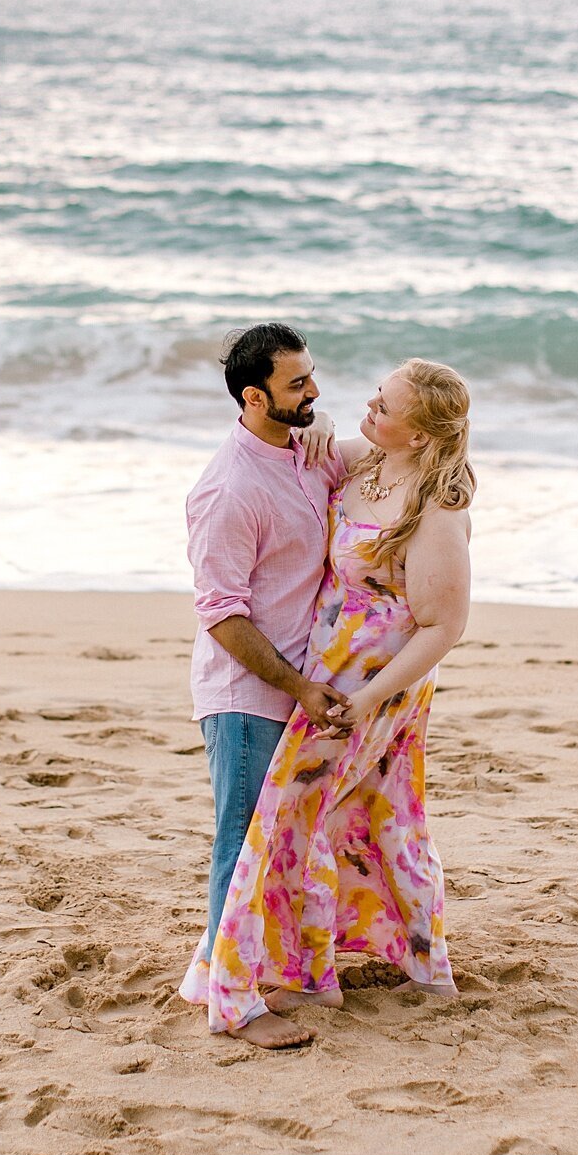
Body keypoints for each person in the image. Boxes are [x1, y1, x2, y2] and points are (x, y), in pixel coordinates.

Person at [183, 357, 475, 1049]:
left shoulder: (437, 506)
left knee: (317, 815)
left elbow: (444, 627)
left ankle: (316, 973)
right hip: (326, 673)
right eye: (374, 396)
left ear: (421, 434)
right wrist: (333, 427)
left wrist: (369, 697)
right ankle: (379, 966)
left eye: (385, 405)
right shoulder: (364, 462)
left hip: (370, 687)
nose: (368, 407)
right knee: (361, 814)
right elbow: (309, 444)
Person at [180, 322, 352, 1051]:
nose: (313, 391)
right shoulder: (226, 490)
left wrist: (325, 426)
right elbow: (222, 616)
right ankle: (233, 1006)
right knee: (241, 847)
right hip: (246, 694)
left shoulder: (304, 451)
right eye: (296, 384)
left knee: (282, 848)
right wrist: (300, 688)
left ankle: (228, 973)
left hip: (300, 691)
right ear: (254, 397)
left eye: (313, 375)